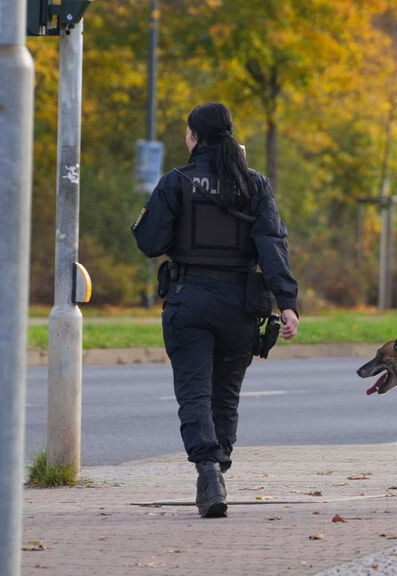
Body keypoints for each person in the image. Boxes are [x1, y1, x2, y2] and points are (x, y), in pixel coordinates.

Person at [132, 102, 299, 518]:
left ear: (194, 137)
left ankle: (208, 471)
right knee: (225, 396)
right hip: (239, 306)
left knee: (195, 393)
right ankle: (218, 468)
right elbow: (272, 245)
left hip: (189, 301)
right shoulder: (255, 184)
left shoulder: (177, 182)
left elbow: (150, 243)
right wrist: (288, 303)